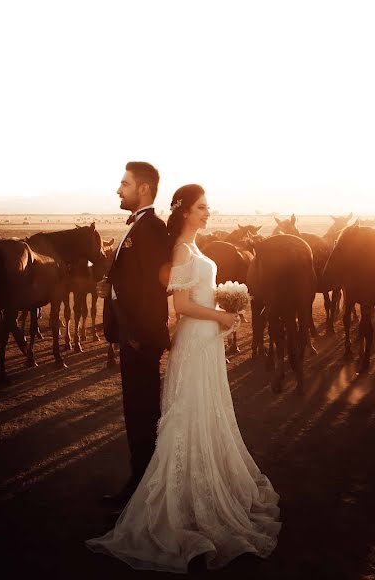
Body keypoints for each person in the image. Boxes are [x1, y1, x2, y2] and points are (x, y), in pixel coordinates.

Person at [87, 183, 281, 573]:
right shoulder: (180, 249)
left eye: (208, 206)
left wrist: (224, 309)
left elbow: (199, 296)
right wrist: (223, 316)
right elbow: (182, 305)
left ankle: (204, 484)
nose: (208, 212)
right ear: (185, 210)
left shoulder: (193, 248)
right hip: (193, 342)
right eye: (202, 207)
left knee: (209, 411)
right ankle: (175, 502)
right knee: (188, 412)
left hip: (205, 343)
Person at [97, 162, 171, 508]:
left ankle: (143, 490)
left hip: (139, 339)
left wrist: (137, 335)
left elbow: (153, 289)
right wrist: (109, 286)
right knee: (135, 413)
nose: (118, 190)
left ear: (143, 189)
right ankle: (140, 482)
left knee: (142, 415)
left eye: (124, 184)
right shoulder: (138, 226)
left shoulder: (153, 228)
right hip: (130, 335)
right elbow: (132, 280)